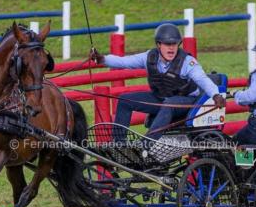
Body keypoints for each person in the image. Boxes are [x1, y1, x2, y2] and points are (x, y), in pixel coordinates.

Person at [90, 23, 225, 141]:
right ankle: (119, 144)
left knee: (169, 103)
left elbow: (202, 79)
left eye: (174, 44)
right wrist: (101, 59)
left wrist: (215, 95)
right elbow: (124, 61)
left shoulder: (187, 62)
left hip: (186, 101)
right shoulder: (149, 57)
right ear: (158, 44)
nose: (171, 48)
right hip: (161, 98)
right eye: (167, 44)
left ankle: (147, 144)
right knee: (125, 100)